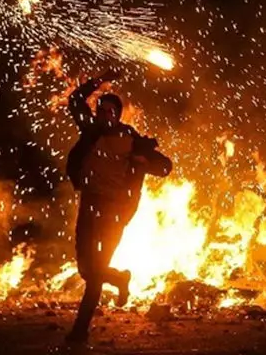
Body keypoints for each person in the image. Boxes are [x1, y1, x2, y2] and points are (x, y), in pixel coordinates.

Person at [63, 73, 172, 345]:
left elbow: (165, 166)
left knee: (96, 271)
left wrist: (143, 162)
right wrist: (100, 81)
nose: (104, 115)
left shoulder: (131, 139)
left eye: (110, 112)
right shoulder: (90, 131)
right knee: (86, 270)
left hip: (114, 213)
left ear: (118, 115)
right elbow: (76, 99)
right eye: (101, 110)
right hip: (89, 206)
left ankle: (79, 331)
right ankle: (120, 278)